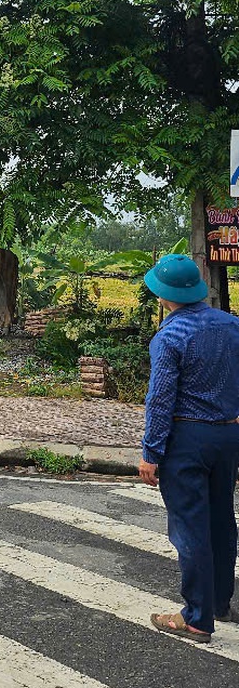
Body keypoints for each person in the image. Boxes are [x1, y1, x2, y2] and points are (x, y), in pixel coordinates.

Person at [138, 253, 239, 643]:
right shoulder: (232, 325)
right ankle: (219, 602)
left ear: (164, 295)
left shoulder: (170, 336)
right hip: (227, 436)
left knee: (190, 527)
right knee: (220, 519)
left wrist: (151, 452)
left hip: (187, 440)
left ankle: (196, 618)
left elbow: (161, 399)